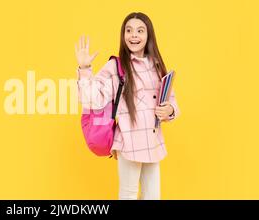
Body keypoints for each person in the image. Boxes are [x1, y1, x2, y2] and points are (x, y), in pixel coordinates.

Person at [75, 12, 180, 200]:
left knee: (152, 196)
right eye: (129, 30)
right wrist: (84, 69)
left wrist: (170, 110)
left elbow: (171, 99)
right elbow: (92, 99)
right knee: (129, 194)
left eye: (140, 31)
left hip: (153, 141)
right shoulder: (116, 66)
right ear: (123, 35)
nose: (134, 35)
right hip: (128, 141)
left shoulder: (157, 65)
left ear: (148, 35)